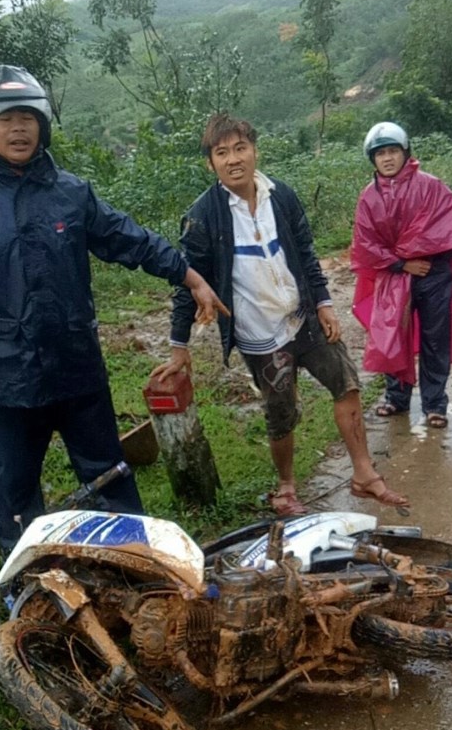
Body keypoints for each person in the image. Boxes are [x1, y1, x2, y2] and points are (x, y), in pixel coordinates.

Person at [0, 64, 227, 560]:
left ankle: (136, 563)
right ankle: (28, 579)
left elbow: (127, 238)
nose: (19, 128)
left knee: (108, 473)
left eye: (28, 116)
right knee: (16, 487)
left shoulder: (70, 193)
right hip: (9, 376)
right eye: (6, 119)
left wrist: (188, 275)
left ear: (43, 123)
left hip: (77, 367)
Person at [151, 112, 408, 516]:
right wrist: (178, 346)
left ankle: (363, 473)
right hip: (258, 331)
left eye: (241, 148)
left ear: (254, 151)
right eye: (222, 153)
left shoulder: (281, 196)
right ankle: (287, 486)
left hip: (303, 316)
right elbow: (190, 284)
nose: (234, 159)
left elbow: (305, 252)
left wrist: (323, 302)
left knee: (346, 384)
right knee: (280, 411)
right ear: (210, 163)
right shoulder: (203, 216)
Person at [351, 121, 452, 427]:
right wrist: (402, 263)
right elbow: (366, 244)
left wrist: (423, 257)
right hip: (394, 275)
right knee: (390, 334)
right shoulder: (369, 198)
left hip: (434, 276)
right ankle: (396, 397)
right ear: (373, 159)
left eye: (393, 151)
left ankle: (435, 404)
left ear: (405, 152)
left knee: (434, 340)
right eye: (380, 153)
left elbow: (451, 229)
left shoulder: (431, 186)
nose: (387, 158)